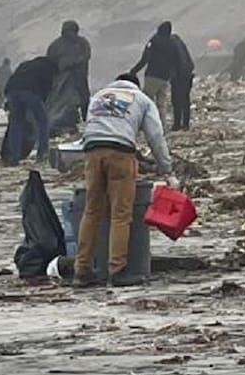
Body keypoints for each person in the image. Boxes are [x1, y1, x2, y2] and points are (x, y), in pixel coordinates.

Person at [74, 73, 173, 286]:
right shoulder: (142, 99)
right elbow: (155, 136)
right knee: (121, 213)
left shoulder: (99, 96)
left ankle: (82, 269)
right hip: (120, 153)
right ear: (135, 85)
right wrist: (166, 169)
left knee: (92, 210)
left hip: (91, 151)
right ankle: (117, 270)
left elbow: (91, 127)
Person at [3, 56, 56, 164]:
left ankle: (14, 156)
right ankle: (42, 153)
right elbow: (47, 88)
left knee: (16, 124)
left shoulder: (25, 65)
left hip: (12, 91)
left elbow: (11, 80)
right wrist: (44, 102)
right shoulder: (50, 68)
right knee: (43, 122)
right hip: (31, 92)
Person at [130, 21, 179, 126]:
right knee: (161, 103)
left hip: (152, 75)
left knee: (146, 101)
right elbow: (176, 59)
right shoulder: (173, 42)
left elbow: (145, 58)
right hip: (165, 77)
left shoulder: (154, 40)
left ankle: (145, 124)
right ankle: (161, 125)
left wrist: (134, 71)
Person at [45, 20, 92, 124]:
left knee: (84, 99)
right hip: (62, 79)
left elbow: (86, 55)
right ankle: (66, 120)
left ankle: (86, 119)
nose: (70, 33)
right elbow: (50, 60)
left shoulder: (82, 42)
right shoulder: (56, 44)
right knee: (64, 100)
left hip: (79, 76)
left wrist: (74, 64)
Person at [169, 32, 196, 131]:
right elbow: (190, 64)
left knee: (177, 100)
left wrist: (175, 75)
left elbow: (181, 62)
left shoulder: (174, 45)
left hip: (180, 78)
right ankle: (185, 124)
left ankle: (177, 124)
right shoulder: (181, 45)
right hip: (187, 76)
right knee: (185, 100)